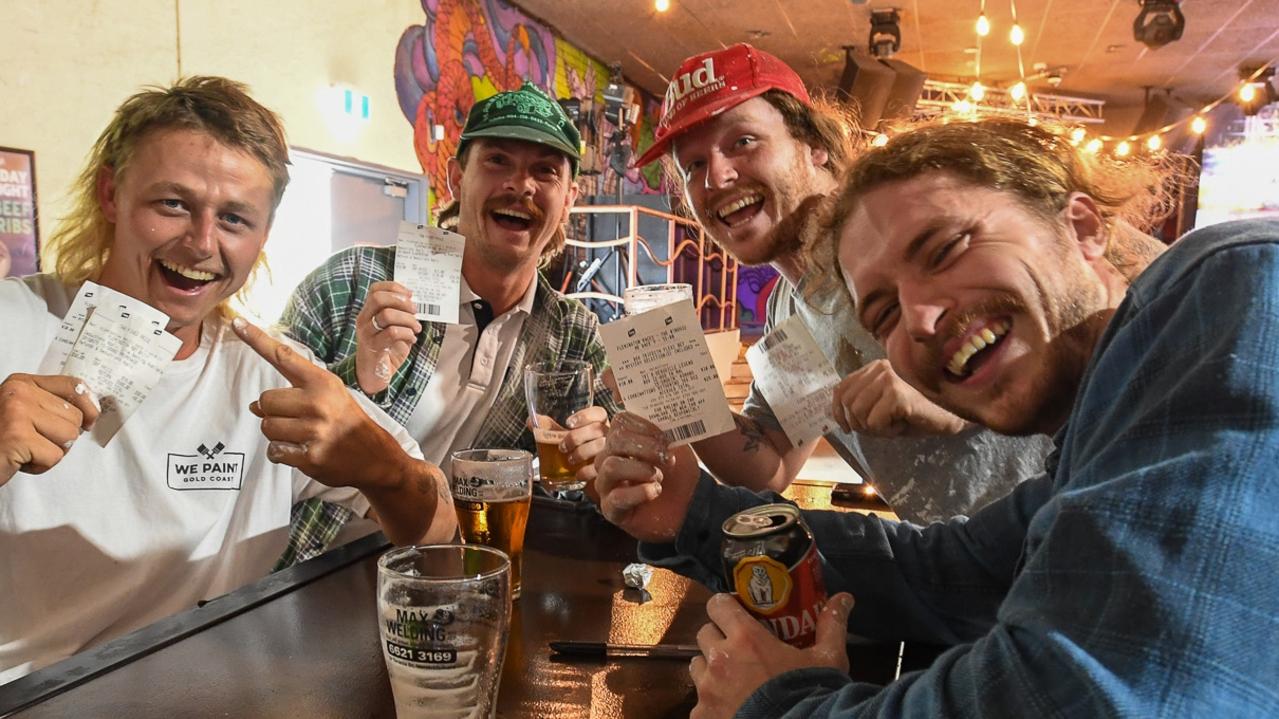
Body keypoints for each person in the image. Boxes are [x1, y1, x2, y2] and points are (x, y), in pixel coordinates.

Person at [595, 118, 1279, 716]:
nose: (919, 320)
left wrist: (778, 706)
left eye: (946, 248)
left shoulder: (1232, 285)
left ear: (1081, 225)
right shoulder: (1096, 432)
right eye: (884, 313)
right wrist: (694, 509)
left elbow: (1075, 694)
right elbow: (948, 569)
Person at [0, 77, 456, 683]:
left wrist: (384, 469)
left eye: (235, 218)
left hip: (206, 690)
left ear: (264, 234)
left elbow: (444, 531)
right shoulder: (12, 323)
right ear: (111, 193)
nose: (201, 242)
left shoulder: (271, 369)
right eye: (173, 204)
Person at [634, 44, 1050, 522]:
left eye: (742, 141)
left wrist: (949, 393)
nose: (716, 178)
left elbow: (1085, 327)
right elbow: (769, 464)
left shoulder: (908, 227)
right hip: (973, 572)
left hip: (1079, 537)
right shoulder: (787, 312)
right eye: (694, 166)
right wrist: (678, 389)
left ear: (817, 147)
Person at [278, 82, 621, 564]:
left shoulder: (573, 334)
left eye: (545, 171)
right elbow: (256, 440)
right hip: (314, 568)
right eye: (497, 160)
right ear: (457, 176)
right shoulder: (352, 282)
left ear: (568, 199)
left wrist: (597, 458)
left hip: (459, 574)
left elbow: (597, 487)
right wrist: (360, 379)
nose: (521, 185)